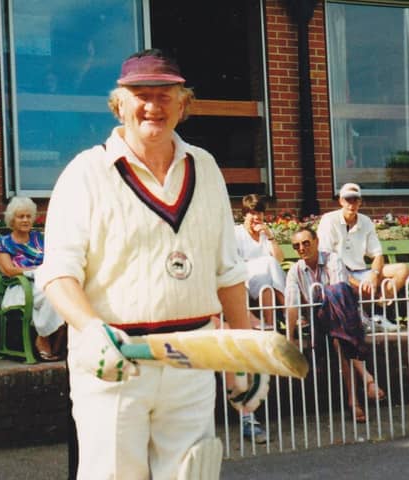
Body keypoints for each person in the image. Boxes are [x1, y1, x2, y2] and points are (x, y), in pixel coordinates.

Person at [35, 49, 269, 479]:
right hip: (117, 362)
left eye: (165, 95)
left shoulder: (205, 168)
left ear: (183, 104)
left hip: (191, 359)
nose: (152, 106)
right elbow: (58, 274)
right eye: (141, 94)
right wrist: (92, 330)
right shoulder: (86, 173)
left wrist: (243, 351)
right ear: (118, 103)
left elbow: (227, 270)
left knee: (192, 473)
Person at [285, 227, 384, 423]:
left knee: (339, 337)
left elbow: (340, 294)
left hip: (342, 317)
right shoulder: (295, 271)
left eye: (306, 243)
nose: (302, 249)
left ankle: (353, 401)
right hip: (320, 323)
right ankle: (366, 379)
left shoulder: (332, 259)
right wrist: (289, 337)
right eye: (297, 246)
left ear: (316, 241)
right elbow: (292, 305)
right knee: (337, 327)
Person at [317, 183, 409, 331]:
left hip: (362, 272)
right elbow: (326, 258)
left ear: (360, 201)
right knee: (345, 282)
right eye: (348, 200)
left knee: (402, 269)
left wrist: (374, 276)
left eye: (355, 200)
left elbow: (378, 254)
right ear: (341, 201)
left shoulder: (366, 221)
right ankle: (370, 318)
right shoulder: (328, 220)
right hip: (338, 275)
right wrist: (359, 284)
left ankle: (379, 309)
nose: (351, 204)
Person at [0, 196, 66, 361]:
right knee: (54, 294)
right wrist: (34, 270)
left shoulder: (39, 239)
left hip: (43, 283)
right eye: (21, 217)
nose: (26, 220)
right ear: (12, 219)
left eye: (28, 216)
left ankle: (53, 336)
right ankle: (45, 337)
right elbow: (8, 270)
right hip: (20, 287)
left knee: (62, 291)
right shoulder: (3, 243)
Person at [234, 194, 286, 329]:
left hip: (265, 280)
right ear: (245, 215)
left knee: (266, 284)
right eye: (252, 213)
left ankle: (270, 325)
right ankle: (288, 309)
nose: (257, 217)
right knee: (269, 262)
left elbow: (279, 259)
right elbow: (235, 262)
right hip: (245, 277)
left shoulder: (264, 233)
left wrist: (270, 236)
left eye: (260, 213)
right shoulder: (237, 233)